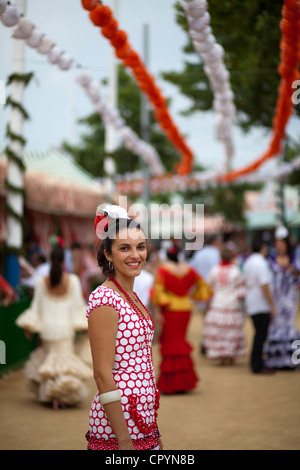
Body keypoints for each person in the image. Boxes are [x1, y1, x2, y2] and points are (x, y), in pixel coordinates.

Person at [85, 204, 162, 451]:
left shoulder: (131, 295)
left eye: (140, 247)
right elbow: (102, 374)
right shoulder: (105, 299)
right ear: (108, 254)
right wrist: (124, 439)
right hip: (117, 424)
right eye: (124, 248)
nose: (135, 255)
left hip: (143, 418)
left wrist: (153, 428)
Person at [16, 244, 92, 408]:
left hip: (47, 329)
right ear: (65, 261)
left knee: (50, 363)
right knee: (63, 363)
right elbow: (78, 306)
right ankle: (61, 397)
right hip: (65, 329)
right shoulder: (73, 281)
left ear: (50, 260)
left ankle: (52, 396)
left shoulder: (41, 282)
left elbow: (36, 307)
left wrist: (29, 326)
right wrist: (83, 325)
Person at [151, 242, 212, 394]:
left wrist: (159, 311)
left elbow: (157, 292)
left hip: (171, 310)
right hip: (186, 308)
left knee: (172, 343)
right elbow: (203, 285)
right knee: (180, 342)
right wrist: (192, 296)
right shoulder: (188, 269)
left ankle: (171, 383)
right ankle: (183, 381)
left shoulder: (163, 270)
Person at [263, 227, 300, 370]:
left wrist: (290, 269)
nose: (279, 246)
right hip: (276, 297)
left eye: (281, 243)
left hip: (289, 297)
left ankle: (291, 360)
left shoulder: (294, 259)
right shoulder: (271, 260)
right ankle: (275, 360)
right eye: (277, 244)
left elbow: (297, 278)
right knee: (276, 324)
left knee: (289, 325)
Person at [202, 246, 246, 365]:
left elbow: (208, 288)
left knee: (219, 331)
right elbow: (241, 290)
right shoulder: (236, 270)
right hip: (232, 303)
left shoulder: (214, 270)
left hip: (218, 303)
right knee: (231, 330)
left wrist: (207, 304)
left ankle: (221, 357)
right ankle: (231, 356)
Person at [243, 238, 276, 374]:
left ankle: (256, 361)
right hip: (260, 303)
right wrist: (271, 304)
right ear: (263, 247)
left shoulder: (249, 261)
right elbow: (265, 285)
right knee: (260, 335)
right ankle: (257, 364)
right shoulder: (260, 263)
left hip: (252, 301)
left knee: (258, 334)